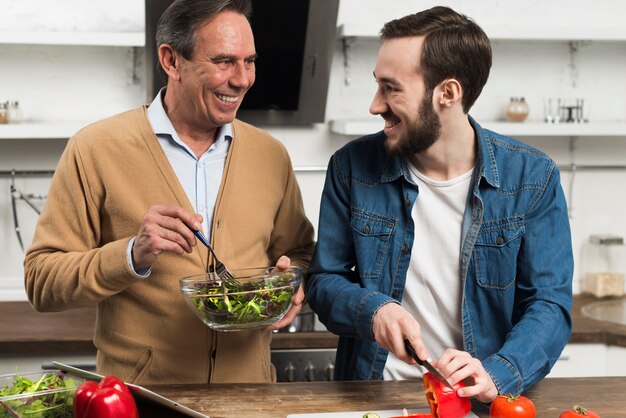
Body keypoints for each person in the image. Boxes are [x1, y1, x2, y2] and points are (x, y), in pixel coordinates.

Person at [24, 0, 314, 385]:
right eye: (224, 61)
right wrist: (132, 254)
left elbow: (299, 252)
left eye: (250, 61)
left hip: (251, 398)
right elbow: (42, 281)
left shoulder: (270, 155)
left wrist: (290, 282)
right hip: (145, 399)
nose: (242, 79)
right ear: (171, 61)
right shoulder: (95, 148)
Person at [306, 6, 573, 403]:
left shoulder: (532, 177)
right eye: (377, 85)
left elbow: (549, 304)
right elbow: (324, 279)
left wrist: (497, 373)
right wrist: (374, 310)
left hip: (482, 399)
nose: (375, 105)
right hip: (376, 397)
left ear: (447, 93)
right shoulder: (351, 167)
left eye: (391, 88)